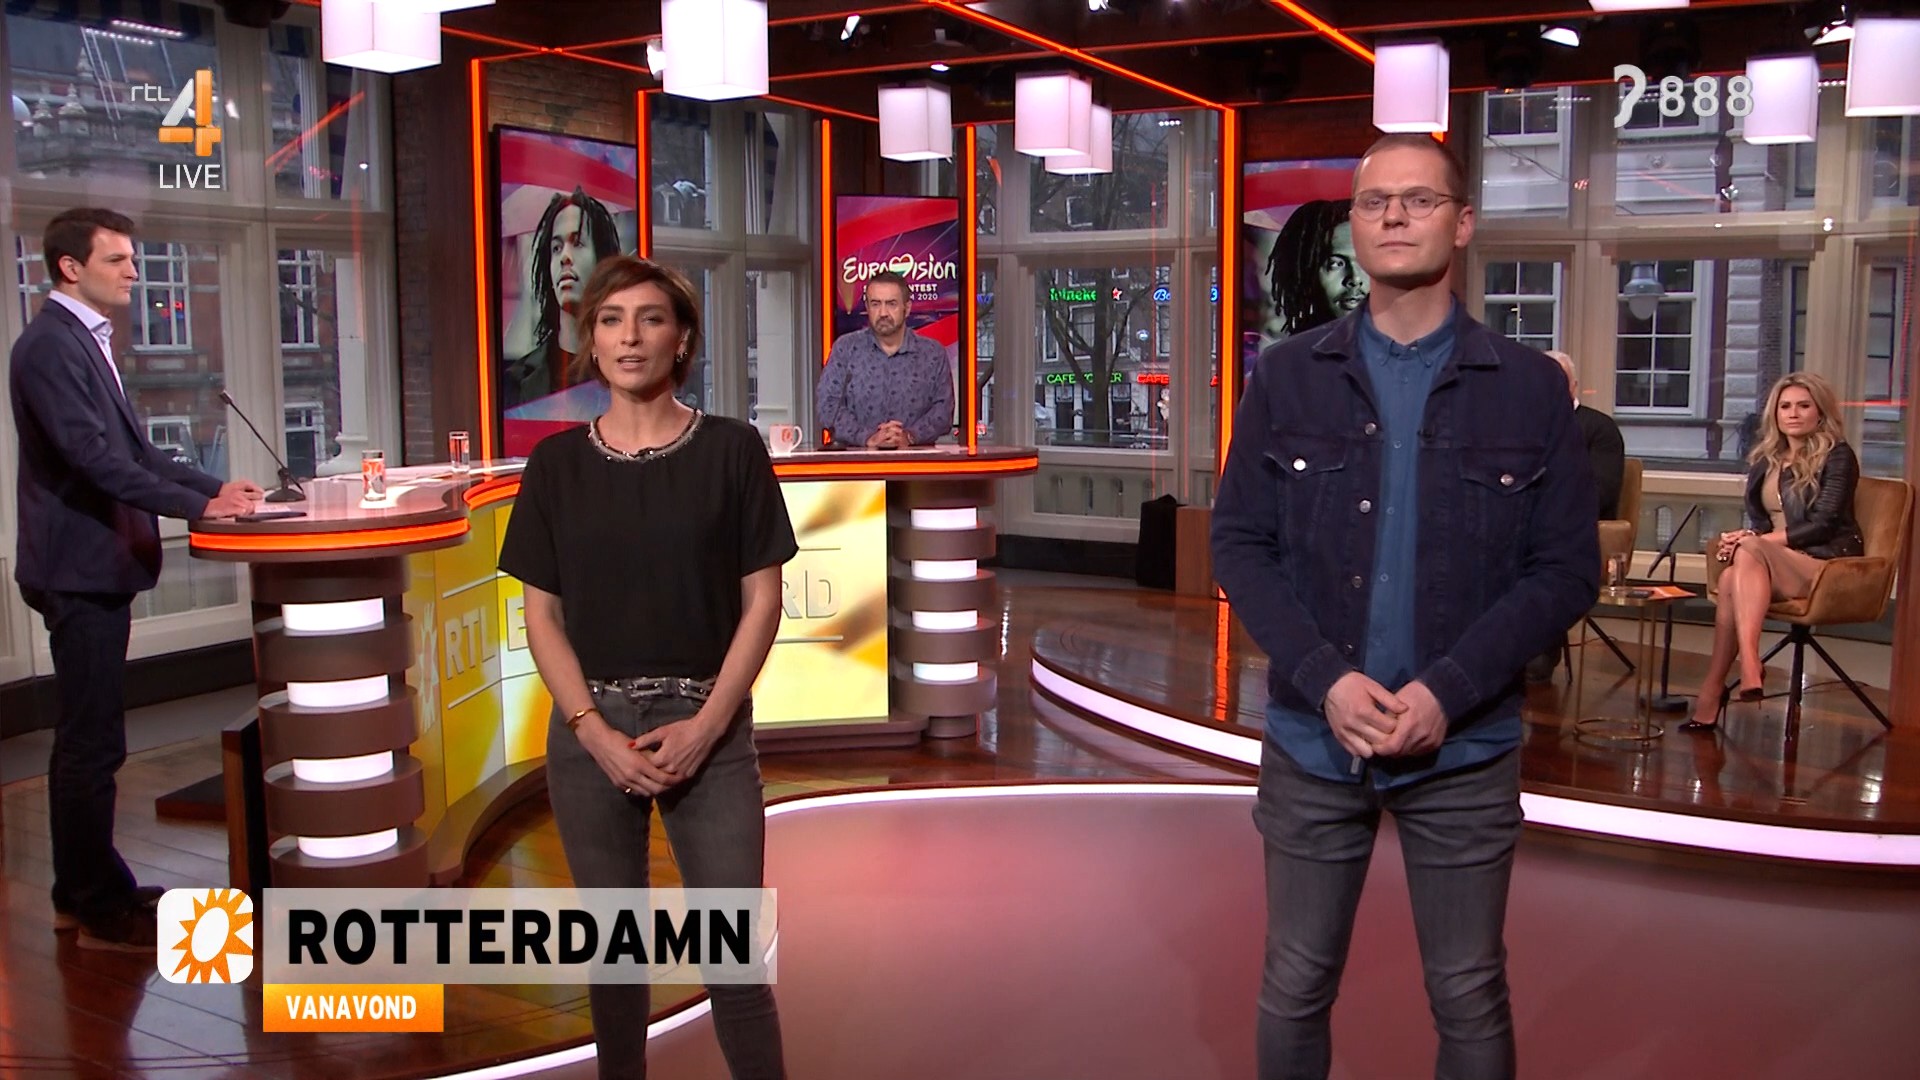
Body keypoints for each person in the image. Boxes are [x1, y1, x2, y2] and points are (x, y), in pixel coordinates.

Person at [1212, 135, 1597, 1080]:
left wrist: (1447, 691)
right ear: (1354, 223)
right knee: (1295, 981)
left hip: (1464, 751)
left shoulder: (1532, 389)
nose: (1393, 216)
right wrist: (1326, 679)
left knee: (1469, 991)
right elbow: (1239, 545)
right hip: (1313, 740)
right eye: (1374, 201)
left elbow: (1564, 571)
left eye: (1419, 200)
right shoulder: (1287, 377)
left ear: (1461, 224)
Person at [498, 254, 792, 1080]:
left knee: (735, 965)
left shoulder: (732, 450)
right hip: (590, 736)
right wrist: (591, 733)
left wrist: (708, 726)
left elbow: (762, 602)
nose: (630, 337)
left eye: (650, 319)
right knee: (615, 961)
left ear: (682, 339)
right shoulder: (555, 466)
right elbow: (542, 617)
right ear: (591, 342)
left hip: (709, 731)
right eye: (611, 320)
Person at [9, 207, 262, 950]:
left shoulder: (86, 340)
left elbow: (137, 454)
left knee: (94, 739)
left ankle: (83, 891)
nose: (132, 271)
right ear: (70, 267)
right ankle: (95, 906)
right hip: (77, 569)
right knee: (90, 744)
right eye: (116, 259)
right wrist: (198, 507)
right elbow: (93, 460)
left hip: (95, 566)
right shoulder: (49, 346)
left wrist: (213, 489)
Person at [1682, 372, 1862, 733]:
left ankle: (1744, 666)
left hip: (1825, 561)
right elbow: (1762, 523)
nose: (1793, 413)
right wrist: (1749, 537)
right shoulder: (1767, 459)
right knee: (1731, 577)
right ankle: (1720, 684)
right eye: (1785, 406)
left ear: (1820, 412)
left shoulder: (1838, 456)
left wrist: (1755, 542)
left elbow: (1823, 524)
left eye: (1803, 406)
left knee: (1746, 555)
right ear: (1775, 413)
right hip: (1774, 561)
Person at [1525, 351, 1626, 683]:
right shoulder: (1519, 427)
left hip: (1577, 531)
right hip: (1524, 526)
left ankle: (1536, 654)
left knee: (1545, 554)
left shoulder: (1599, 429)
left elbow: (1600, 494)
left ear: (1573, 386)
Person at [505, 187, 623, 406]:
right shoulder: (515, 381)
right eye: (557, 248)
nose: (565, 257)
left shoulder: (629, 370)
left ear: (603, 260)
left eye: (577, 243)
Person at [815, 270, 954, 448]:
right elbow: (828, 406)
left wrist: (909, 436)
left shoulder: (933, 354)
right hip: (857, 461)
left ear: (907, 308)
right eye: (875, 304)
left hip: (916, 460)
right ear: (867, 307)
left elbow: (943, 412)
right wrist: (867, 438)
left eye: (891, 304)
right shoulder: (846, 349)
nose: (883, 313)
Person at [1267, 198, 1370, 340]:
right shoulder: (1292, 353)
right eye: (1335, 264)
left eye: (1365, 260)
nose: (1355, 279)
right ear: (1306, 272)